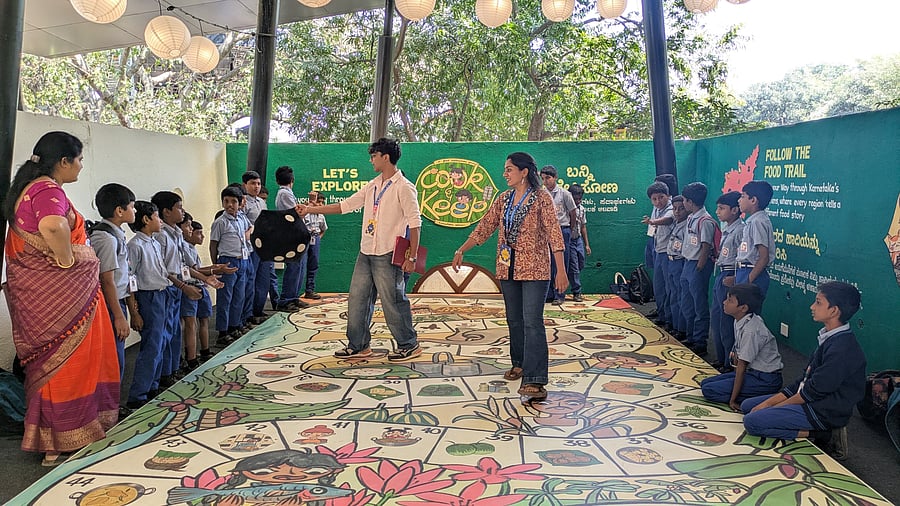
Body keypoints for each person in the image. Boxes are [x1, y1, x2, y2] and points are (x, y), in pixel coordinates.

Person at [2, 131, 120, 465]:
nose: (81, 166)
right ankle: (66, 437)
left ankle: (56, 440)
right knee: (69, 362)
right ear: (64, 161)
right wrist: (69, 261)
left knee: (52, 365)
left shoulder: (27, 189)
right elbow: (53, 227)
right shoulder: (46, 189)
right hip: (63, 299)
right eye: (79, 159)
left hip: (45, 298)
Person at [452, 152, 568, 401]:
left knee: (532, 321)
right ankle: (519, 363)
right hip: (507, 267)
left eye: (509, 170)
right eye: (505, 170)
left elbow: (553, 233)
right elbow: (485, 226)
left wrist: (561, 269)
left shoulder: (541, 198)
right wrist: (462, 248)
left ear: (524, 172)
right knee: (514, 319)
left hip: (535, 268)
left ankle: (535, 379)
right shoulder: (503, 199)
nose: (505, 174)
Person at [298, 138, 422, 361]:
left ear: (386, 157)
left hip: (388, 252)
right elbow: (345, 206)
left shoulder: (404, 187)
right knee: (357, 298)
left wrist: (412, 256)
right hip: (366, 251)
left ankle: (408, 343)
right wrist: (309, 209)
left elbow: (415, 223)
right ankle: (358, 344)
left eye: (374, 155)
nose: (371, 159)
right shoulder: (373, 185)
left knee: (392, 300)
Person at [741, 282, 866, 460]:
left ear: (834, 310)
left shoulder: (842, 348)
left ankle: (822, 435)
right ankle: (782, 418)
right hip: (810, 399)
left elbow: (813, 391)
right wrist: (769, 404)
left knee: (752, 422)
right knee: (748, 406)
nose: (812, 307)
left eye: (818, 302)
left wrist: (773, 406)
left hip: (823, 410)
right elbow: (804, 380)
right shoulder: (829, 337)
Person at [701, 284, 782, 411]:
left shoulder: (751, 330)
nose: (724, 302)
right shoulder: (740, 319)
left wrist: (733, 399)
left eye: (730, 300)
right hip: (752, 373)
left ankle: (762, 397)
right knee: (705, 383)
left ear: (743, 308)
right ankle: (751, 394)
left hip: (765, 379)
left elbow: (741, 367)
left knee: (709, 390)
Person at [151, 191, 204, 384]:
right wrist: (183, 286)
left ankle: (171, 371)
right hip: (166, 288)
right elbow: (163, 269)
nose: (182, 212)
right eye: (179, 207)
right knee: (162, 336)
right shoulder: (161, 236)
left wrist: (206, 278)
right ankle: (158, 378)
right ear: (166, 211)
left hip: (176, 287)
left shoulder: (176, 234)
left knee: (174, 332)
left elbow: (184, 265)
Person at [125, 201, 172, 409]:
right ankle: (138, 394)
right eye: (156, 216)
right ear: (146, 220)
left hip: (161, 295)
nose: (160, 221)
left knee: (161, 342)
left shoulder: (154, 242)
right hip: (148, 297)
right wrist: (134, 311)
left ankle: (152, 385)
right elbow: (130, 279)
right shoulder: (135, 246)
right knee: (151, 346)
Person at [89, 183, 136, 388]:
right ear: (119, 211)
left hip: (117, 301)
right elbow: (106, 280)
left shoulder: (115, 234)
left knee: (116, 357)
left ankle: (112, 406)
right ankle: (110, 410)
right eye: (131, 207)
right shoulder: (106, 238)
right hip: (110, 305)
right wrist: (118, 317)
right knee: (112, 358)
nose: (134, 211)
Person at [210, 186, 253, 346]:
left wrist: (248, 235)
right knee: (225, 297)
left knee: (238, 296)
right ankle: (223, 331)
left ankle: (234, 325)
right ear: (222, 203)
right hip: (227, 261)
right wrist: (215, 266)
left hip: (242, 259)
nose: (230, 205)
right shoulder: (220, 222)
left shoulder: (241, 218)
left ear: (240, 203)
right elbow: (213, 244)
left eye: (233, 201)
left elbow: (250, 227)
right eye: (226, 201)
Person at [680, 182, 718, 356]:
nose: (683, 204)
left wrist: (700, 266)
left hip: (697, 265)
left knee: (699, 304)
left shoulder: (706, 220)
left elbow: (706, 246)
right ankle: (690, 335)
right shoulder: (690, 217)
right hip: (687, 263)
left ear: (689, 201)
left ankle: (700, 340)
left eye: (685, 201)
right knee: (687, 303)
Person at [709, 191, 744, 371]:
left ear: (735, 210)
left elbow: (743, 257)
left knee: (726, 322)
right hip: (721, 273)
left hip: (730, 275)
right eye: (718, 208)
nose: (718, 211)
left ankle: (729, 363)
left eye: (722, 208)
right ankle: (720, 357)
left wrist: (736, 278)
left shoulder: (740, 230)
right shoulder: (726, 228)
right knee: (716, 318)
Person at [274, 166, 310, 312]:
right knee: (294, 267)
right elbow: (297, 214)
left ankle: (293, 297)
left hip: (294, 234)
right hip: (291, 234)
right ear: (292, 180)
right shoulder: (285, 194)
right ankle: (286, 299)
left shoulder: (286, 193)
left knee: (299, 267)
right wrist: (307, 209)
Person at [539, 165, 575, 305]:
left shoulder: (564, 194)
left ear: (555, 177)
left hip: (562, 229)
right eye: (543, 179)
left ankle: (560, 294)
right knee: (547, 263)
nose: (545, 181)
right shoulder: (541, 194)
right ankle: (548, 294)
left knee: (561, 263)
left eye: (548, 178)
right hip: (546, 232)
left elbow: (572, 213)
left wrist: (569, 230)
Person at [641, 182, 674, 328]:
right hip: (658, 249)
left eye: (661, 197)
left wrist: (653, 221)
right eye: (654, 199)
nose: (658, 201)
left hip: (668, 252)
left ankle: (669, 318)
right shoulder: (656, 208)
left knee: (668, 287)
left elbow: (668, 220)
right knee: (659, 287)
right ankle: (661, 314)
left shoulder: (673, 208)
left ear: (668, 196)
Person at [736, 180, 776, 297]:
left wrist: (748, 281)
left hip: (752, 272)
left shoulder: (758, 222)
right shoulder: (753, 220)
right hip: (744, 271)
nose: (739, 200)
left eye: (743, 196)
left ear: (753, 200)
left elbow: (764, 257)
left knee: (747, 313)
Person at [242, 171, 272, 321]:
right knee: (250, 280)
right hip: (250, 247)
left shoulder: (261, 202)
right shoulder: (243, 203)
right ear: (245, 185)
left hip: (264, 247)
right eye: (253, 183)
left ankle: (258, 310)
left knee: (263, 279)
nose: (256, 187)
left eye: (258, 183)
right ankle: (248, 314)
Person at [665, 196, 688, 341]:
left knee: (681, 297)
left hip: (680, 262)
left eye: (681, 208)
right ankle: (674, 325)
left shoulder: (687, 225)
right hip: (671, 261)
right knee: (672, 294)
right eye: (674, 209)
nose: (677, 212)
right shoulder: (676, 223)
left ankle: (682, 329)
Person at [567, 184, 591, 302]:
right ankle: (577, 292)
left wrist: (586, 244)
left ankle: (571, 278)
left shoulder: (582, 209)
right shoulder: (566, 209)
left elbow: (583, 227)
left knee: (581, 263)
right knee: (574, 267)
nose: (577, 201)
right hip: (569, 241)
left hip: (579, 240)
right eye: (575, 199)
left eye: (579, 199)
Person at [302, 191, 328, 300]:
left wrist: (318, 238)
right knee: (301, 265)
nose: (320, 205)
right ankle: (296, 291)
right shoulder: (305, 212)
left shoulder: (321, 215)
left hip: (315, 238)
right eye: (318, 202)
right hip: (304, 239)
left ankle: (310, 290)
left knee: (313, 265)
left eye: (322, 203)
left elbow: (324, 229)